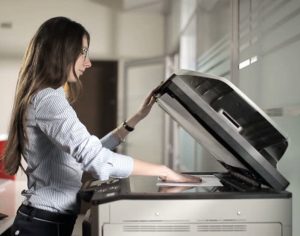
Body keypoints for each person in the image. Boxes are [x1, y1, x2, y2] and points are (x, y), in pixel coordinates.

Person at [2, 16, 200, 236]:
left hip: (46, 220)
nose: (88, 63)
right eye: (83, 53)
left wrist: (137, 118)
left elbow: (84, 154)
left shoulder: (49, 96)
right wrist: (163, 170)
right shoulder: (49, 100)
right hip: (42, 224)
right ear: (62, 51)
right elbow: (94, 159)